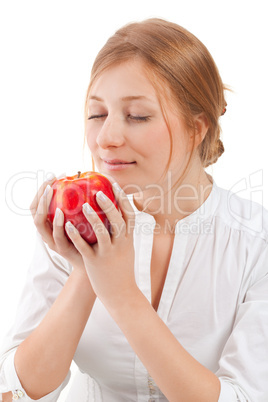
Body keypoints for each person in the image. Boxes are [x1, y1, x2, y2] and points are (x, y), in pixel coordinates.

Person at [0, 17, 267, 402]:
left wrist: (122, 293)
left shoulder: (256, 244)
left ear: (197, 128)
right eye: (96, 114)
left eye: (137, 116)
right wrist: (85, 270)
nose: (105, 139)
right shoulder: (74, 227)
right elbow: (16, 395)